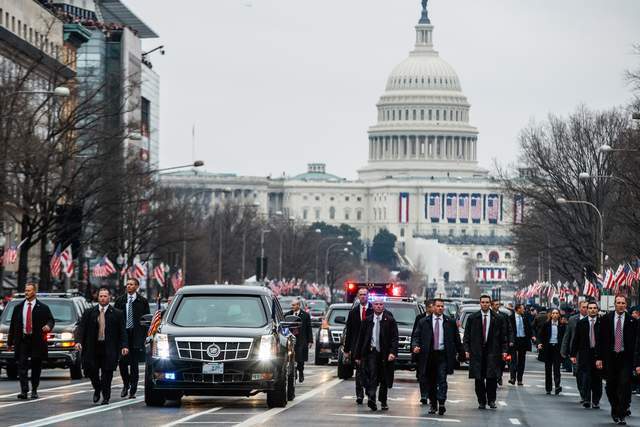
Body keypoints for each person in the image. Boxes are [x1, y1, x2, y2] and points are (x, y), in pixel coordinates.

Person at [76, 287, 129, 404]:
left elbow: (122, 332)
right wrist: (78, 341)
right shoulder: (89, 312)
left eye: (105, 296)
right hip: (92, 348)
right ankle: (97, 388)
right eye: (101, 296)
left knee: (107, 375)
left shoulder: (117, 314)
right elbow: (81, 328)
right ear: (97, 297)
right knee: (91, 372)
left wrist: (124, 346)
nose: (103, 298)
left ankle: (106, 397)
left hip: (109, 349)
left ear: (109, 297)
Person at [412, 298, 464, 415]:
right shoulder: (424, 322)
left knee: (442, 379)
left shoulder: (449, 322)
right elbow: (416, 336)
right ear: (433, 307)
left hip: (443, 355)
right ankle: (433, 404)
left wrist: (461, 353)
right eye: (438, 306)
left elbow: (456, 340)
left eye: (442, 306)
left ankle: (441, 402)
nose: (440, 308)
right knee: (430, 381)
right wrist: (415, 346)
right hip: (429, 355)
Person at [7, 282, 54, 399]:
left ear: (34, 292)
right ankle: (24, 390)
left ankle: (34, 389)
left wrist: (48, 326)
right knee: (21, 365)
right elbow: (13, 326)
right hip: (23, 340)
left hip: (37, 341)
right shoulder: (18, 307)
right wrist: (9, 342)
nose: (26, 292)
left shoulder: (43, 307)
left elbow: (51, 320)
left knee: (36, 365)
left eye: (29, 290)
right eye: (25, 290)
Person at [597, 295, 637, 425]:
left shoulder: (633, 321)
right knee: (610, 387)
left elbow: (637, 344)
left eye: (623, 303)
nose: (620, 305)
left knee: (625, 385)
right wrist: (599, 358)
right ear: (614, 304)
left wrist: (637, 363)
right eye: (618, 302)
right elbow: (600, 340)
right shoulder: (605, 319)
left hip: (625, 358)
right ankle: (615, 407)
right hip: (610, 357)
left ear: (626, 305)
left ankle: (621, 413)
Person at [463, 295, 508, 410]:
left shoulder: (498, 318)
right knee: (479, 378)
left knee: (492, 378)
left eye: (487, 302)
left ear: (490, 303)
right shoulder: (473, 318)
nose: (485, 304)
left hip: (493, 352)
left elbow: (503, 337)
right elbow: (467, 336)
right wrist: (467, 350)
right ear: (480, 303)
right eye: (483, 302)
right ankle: (481, 401)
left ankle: (491, 400)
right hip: (477, 352)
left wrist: (504, 351)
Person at [354, 298, 398, 412]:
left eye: (381, 304)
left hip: (385, 353)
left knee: (384, 378)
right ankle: (371, 399)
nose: (378, 306)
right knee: (371, 375)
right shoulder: (367, 321)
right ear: (372, 306)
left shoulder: (390, 320)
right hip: (371, 352)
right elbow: (361, 339)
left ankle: (383, 401)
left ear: (383, 306)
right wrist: (358, 356)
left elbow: (394, 338)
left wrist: (393, 352)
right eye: (376, 304)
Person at [114, 278, 149, 398]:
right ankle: (126, 384)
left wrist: (145, 337)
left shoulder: (142, 301)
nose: (129, 286)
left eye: (132, 284)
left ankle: (133, 389)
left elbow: (146, 321)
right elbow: (115, 319)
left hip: (136, 335)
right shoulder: (120, 300)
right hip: (123, 335)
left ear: (137, 286)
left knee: (134, 364)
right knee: (122, 362)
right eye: (128, 284)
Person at [570, 301, 602, 409]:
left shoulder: (602, 323)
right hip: (585, 354)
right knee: (586, 377)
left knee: (597, 378)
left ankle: (596, 400)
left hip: (598, 354)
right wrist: (573, 354)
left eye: (594, 308)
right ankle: (587, 399)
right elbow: (576, 339)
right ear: (587, 310)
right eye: (590, 308)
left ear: (597, 310)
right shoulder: (581, 323)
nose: (593, 310)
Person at [343, 288, 373, 404]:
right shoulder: (353, 312)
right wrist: (346, 350)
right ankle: (359, 394)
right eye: (360, 295)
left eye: (365, 295)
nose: (363, 297)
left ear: (368, 296)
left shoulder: (373, 310)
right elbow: (349, 332)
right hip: (357, 348)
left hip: (370, 347)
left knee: (370, 371)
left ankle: (370, 393)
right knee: (359, 372)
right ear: (357, 296)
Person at [562, 301, 589, 401]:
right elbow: (567, 335)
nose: (585, 309)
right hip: (576, 351)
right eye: (583, 307)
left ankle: (587, 395)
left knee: (588, 374)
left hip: (589, 350)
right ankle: (582, 392)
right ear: (579, 308)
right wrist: (564, 350)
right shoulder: (573, 320)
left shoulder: (594, 319)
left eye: (587, 307)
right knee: (578, 372)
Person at [537, 308, 565, 395]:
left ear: (559, 315)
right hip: (548, 348)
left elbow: (565, 338)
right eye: (553, 313)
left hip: (557, 348)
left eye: (557, 313)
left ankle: (557, 386)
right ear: (551, 315)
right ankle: (548, 388)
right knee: (548, 369)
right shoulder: (546, 324)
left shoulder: (562, 325)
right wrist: (539, 343)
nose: (555, 315)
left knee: (557, 369)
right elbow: (540, 335)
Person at [285, 298, 313, 383]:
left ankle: (300, 372)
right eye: (292, 305)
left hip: (302, 339)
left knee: (300, 358)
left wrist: (310, 340)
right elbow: (284, 327)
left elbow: (309, 328)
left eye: (294, 305)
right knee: (291, 357)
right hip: (290, 339)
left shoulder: (305, 315)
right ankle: (294, 372)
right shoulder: (287, 315)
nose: (292, 307)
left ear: (298, 305)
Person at [411, 299, 431, 405]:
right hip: (422, 352)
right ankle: (424, 395)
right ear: (428, 307)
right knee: (422, 374)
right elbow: (415, 334)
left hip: (434, 352)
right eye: (432, 306)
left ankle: (431, 394)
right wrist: (414, 348)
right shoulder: (420, 319)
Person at [508, 303, 534, 385]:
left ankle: (520, 379)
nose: (524, 310)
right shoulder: (510, 318)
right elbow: (508, 330)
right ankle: (512, 378)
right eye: (522, 308)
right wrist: (509, 340)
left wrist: (533, 336)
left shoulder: (525, 317)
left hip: (523, 340)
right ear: (518, 309)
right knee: (513, 360)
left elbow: (529, 328)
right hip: (514, 340)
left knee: (522, 361)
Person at [491, 300, 512, 386]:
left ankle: (499, 376)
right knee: (493, 361)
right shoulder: (489, 315)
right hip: (492, 343)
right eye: (496, 305)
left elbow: (509, 329)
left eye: (498, 304)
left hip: (502, 342)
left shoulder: (504, 316)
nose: (497, 306)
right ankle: (494, 377)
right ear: (492, 306)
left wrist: (510, 340)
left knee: (502, 362)